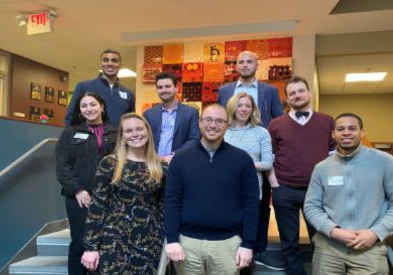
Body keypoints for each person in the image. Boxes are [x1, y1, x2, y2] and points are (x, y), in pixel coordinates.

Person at [304, 113, 393, 275]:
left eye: (352, 128)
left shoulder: (385, 162)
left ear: (362, 132)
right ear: (333, 134)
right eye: (340, 129)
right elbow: (312, 206)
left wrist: (375, 233)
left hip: (369, 250)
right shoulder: (322, 168)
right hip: (328, 250)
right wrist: (333, 231)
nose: (346, 132)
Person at [164, 104, 260, 275]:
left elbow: (251, 204)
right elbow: (172, 202)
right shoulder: (181, 159)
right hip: (187, 244)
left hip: (228, 244)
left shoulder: (242, 160)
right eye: (208, 120)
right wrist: (172, 240)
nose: (213, 125)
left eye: (219, 121)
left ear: (227, 125)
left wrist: (248, 244)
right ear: (200, 123)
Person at [218, 51, 284, 271]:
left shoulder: (270, 91)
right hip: (227, 178)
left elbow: (279, 122)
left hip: (258, 155)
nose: (245, 65)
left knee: (260, 208)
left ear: (257, 65)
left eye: (249, 61)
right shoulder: (225, 90)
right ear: (235, 66)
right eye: (241, 62)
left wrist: (266, 149)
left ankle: (259, 250)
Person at [80, 113, 167, 275]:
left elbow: (164, 208)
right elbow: (97, 207)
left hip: (150, 241)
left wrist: (170, 241)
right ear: (122, 136)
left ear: (148, 132)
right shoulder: (109, 164)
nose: (135, 134)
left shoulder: (161, 166)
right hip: (114, 240)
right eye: (129, 131)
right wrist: (91, 247)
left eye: (140, 129)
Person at [268, 75, 336, 275]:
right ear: (287, 99)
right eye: (292, 93)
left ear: (309, 93)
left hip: (318, 191)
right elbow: (269, 159)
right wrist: (275, 187)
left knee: (321, 239)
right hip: (285, 190)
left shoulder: (327, 121)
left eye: (300, 91)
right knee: (289, 241)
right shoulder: (276, 124)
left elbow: (334, 157)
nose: (297, 96)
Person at [55, 91, 117, 275]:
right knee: (81, 240)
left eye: (93, 104)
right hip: (79, 197)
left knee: (107, 240)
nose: (89, 109)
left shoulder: (116, 132)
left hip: (110, 195)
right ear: (80, 110)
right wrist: (78, 190)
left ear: (102, 107)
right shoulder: (69, 133)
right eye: (84, 106)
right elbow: (62, 166)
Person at [65, 49, 135, 127]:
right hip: (90, 137)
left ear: (121, 65)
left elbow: (131, 121)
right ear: (101, 63)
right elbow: (70, 117)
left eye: (114, 61)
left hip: (118, 138)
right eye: (106, 60)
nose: (110, 63)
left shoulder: (128, 93)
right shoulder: (84, 86)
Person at [225, 92, 273, 200]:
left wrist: (244, 166)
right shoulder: (223, 132)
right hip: (224, 189)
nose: (244, 109)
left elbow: (268, 163)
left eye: (248, 106)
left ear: (252, 109)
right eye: (239, 105)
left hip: (250, 190)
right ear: (232, 108)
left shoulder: (262, 132)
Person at [144, 72, 200, 163]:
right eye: (160, 87)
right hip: (154, 163)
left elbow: (194, 139)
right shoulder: (149, 114)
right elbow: (145, 139)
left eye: (167, 86)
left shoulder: (191, 112)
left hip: (180, 162)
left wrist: (174, 155)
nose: (164, 90)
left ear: (176, 88)